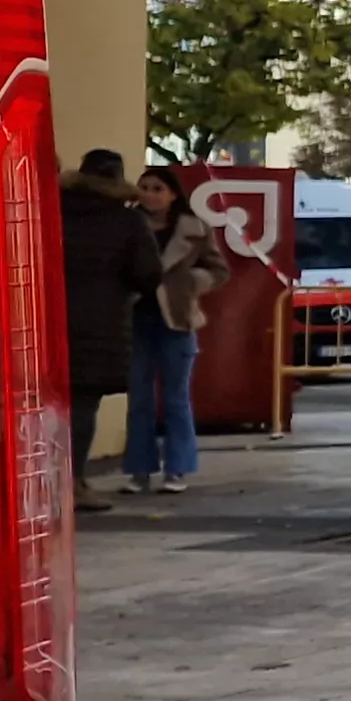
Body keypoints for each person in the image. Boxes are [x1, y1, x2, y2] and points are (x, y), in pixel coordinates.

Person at [56, 151, 160, 513]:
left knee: (43, 404)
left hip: (48, 318)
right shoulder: (126, 220)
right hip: (100, 325)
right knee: (83, 405)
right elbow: (148, 274)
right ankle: (73, 484)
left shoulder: (52, 210)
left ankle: (39, 482)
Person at [122, 165, 232, 494]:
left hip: (177, 319)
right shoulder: (127, 225)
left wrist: (191, 283)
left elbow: (219, 270)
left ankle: (177, 469)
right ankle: (139, 470)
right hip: (135, 318)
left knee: (176, 398)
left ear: (173, 194)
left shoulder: (193, 228)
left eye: (158, 188)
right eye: (144, 187)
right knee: (138, 398)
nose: (150, 194)